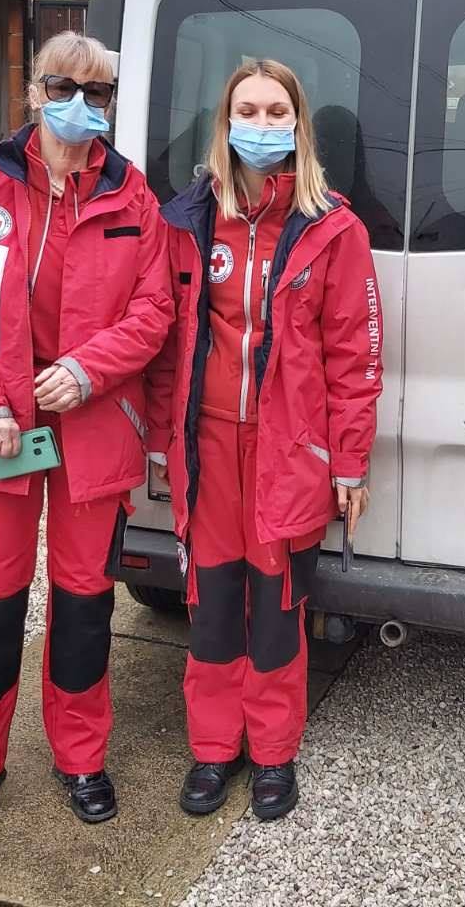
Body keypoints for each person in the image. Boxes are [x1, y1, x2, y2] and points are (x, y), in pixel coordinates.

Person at [0, 31, 172, 836]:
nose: (80, 104)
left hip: (94, 430)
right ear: (34, 93)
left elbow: (155, 310)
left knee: (85, 604)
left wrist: (91, 369)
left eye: (97, 93)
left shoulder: (134, 198)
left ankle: (81, 757)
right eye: (64, 87)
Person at [147, 58, 383, 822]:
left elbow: (355, 357)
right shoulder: (187, 220)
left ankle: (274, 751)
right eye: (245, 111)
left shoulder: (333, 228)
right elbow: (165, 342)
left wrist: (349, 460)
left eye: (276, 112)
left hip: (291, 450)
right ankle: (215, 747)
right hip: (208, 447)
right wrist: (161, 443)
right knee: (213, 600)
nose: (260, 124)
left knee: (278, 606)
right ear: (224, 124)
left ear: (298, 125)